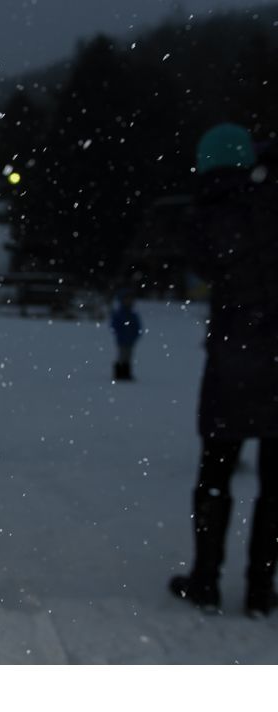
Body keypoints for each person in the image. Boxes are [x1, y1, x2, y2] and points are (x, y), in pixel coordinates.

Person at [168, 122, 278, 618]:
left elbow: (204, 270)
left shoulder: (206, 215)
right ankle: (260, 589)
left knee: (216, 471)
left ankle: (207, 579)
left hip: (234, 356)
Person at [109, 287, 142, 381]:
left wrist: (135, 335)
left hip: (130, 340)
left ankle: (126, 373)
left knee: (128, 356)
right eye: (126, 299)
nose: (128, 301)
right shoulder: (119, 313)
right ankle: (119, 373)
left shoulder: (132, 314)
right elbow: (114, 325)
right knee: (122, 356)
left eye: (130, 299)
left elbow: (137, 326)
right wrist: (120, 333)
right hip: (122, 340)